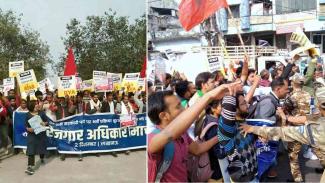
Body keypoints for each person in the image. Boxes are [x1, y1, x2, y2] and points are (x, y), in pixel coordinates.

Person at [148, 82, 236, 182]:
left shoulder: (182, 134)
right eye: (178, 107)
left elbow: (197, 149)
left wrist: (219, 136)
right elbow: (168, 134)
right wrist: (209, 96)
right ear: (164, 116)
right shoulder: (152, 140)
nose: (183, 109)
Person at [252, 77, 289, 179]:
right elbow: (263, 121)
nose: (288, 91)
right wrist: (277, 115)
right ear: (278, 89)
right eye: (286, 89)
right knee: (265, 160)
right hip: (266, 138)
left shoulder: (273, 99)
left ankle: (270, 171)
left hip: (271, 137)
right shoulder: (268, 101)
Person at [24, 98, 49, 175]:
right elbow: (25, 126)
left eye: (37, 104)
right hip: (32, 135)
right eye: (35, 104)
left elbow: (47, 121)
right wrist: (28, 129)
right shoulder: (27, 115)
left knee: (41, 147)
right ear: (31, 106)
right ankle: (30, 167)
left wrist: (44, 123)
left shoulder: (41, 113)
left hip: (41, 134)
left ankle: (41, 158)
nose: (37, 105)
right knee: (31, 149)